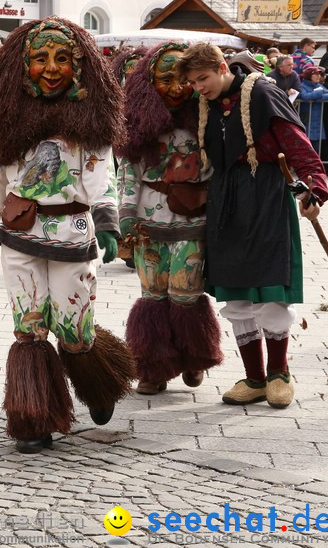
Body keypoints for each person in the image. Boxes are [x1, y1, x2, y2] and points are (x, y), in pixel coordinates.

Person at [0, 17, 134, 454]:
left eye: (62, 58)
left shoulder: (91, 125)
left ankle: (98, 384)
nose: (50, 67)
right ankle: (34, 416)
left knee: (73, 328)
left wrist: (109, 224)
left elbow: (103, 181)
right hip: (18, 235)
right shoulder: (6, 122)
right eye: (40, 58)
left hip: (72, 235)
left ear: (79, 69)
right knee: (28, 326)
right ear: (22, 67)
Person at [176, 42, 328, 409]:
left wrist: (316, 190)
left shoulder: (262, 92)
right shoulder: (203, 104)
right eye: (193, 82)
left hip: (265, 193)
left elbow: (297, 144)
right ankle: (255, 378)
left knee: (271, 287)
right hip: (226, 197)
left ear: (222, 66)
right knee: (237, 292)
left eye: (204, 78)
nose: (199, 87)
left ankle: (279, 374)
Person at [118, 41, 223, 395]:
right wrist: (126, 217)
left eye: (183, 80)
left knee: (186, 294)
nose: (177, 88)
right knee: (153, 296)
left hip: (192, 222)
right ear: (150, 82)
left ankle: (194, 358)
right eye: (167, 80)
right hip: (149, 227)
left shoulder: (206, 121)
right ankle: (153, 367)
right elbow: (128, 173)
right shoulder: (138, 126)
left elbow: (217, 170)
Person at [298, 66, 328, 155]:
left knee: (316, 149)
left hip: (318, 122)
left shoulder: (319, 86)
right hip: (306, 120)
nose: (318, 76)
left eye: (319, 74)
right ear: (309, 76)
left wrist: (315, 98)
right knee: (306, 148)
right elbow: (305, 96)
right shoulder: (302, 86)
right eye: (315, 74)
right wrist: (317, 93)